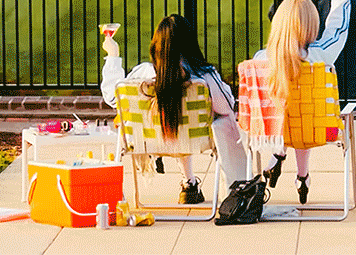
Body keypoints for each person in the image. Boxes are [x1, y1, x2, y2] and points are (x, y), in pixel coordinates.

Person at [101, 14, 248, 203]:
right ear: (191, 44)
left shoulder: (142, 74)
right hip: (194, 140)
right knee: (220, 120)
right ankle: (225, 187)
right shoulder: (204, 76)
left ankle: (189, 183)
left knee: (172, 113)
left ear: (155, 45)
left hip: (146, 141)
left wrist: (113, 56)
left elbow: (112, 97)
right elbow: (226, 106)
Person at [253, 0, 355, 203]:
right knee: (304, 114)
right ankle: (302, 176)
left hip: (269, 132)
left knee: (288, 107)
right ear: (312, 23)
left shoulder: (260, 60)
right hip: (318, 129)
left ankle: (279, 155)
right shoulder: (321, 56)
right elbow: (338, 23)